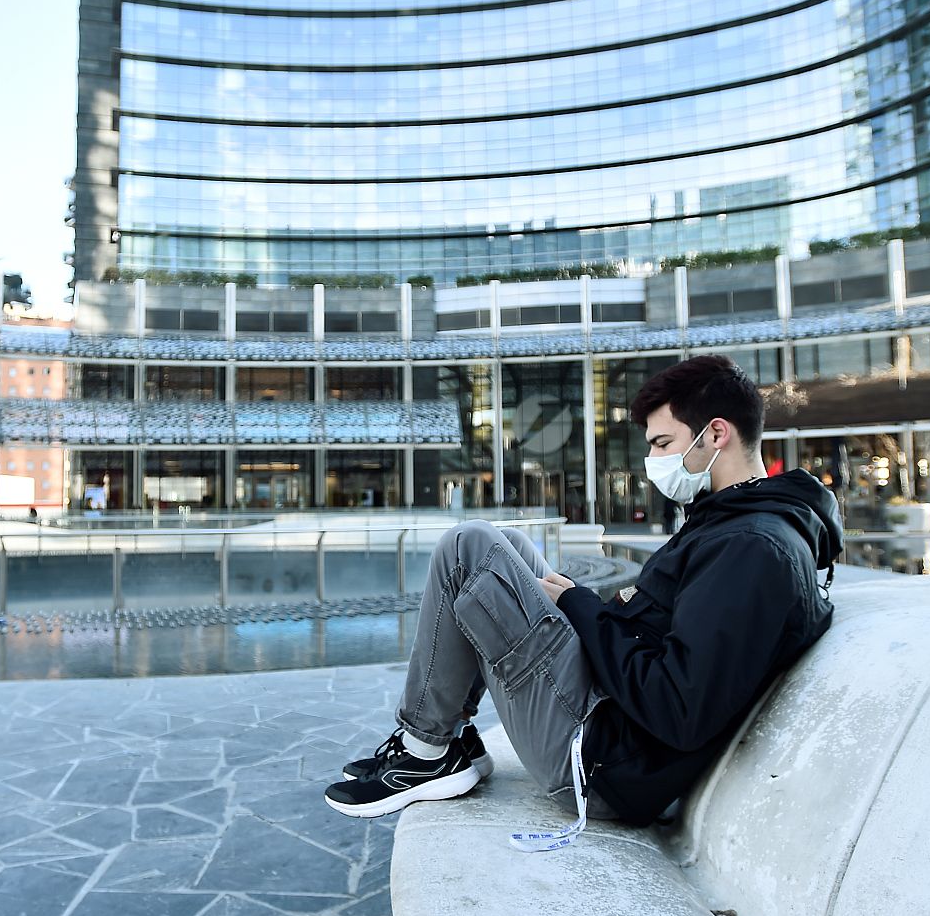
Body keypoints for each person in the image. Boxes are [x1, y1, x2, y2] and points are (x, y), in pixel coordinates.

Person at [325, 355, 842, 832]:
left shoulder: (751, 549)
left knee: (468, 546)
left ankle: (422, 752)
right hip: (606, 715)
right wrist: (582, 605)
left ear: (716, 434)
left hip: (597, 756)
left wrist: (581, 606)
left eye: (662, 443)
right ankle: (449, 738)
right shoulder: (735, 524)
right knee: (513, 546)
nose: (652, 459)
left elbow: (677, 707)